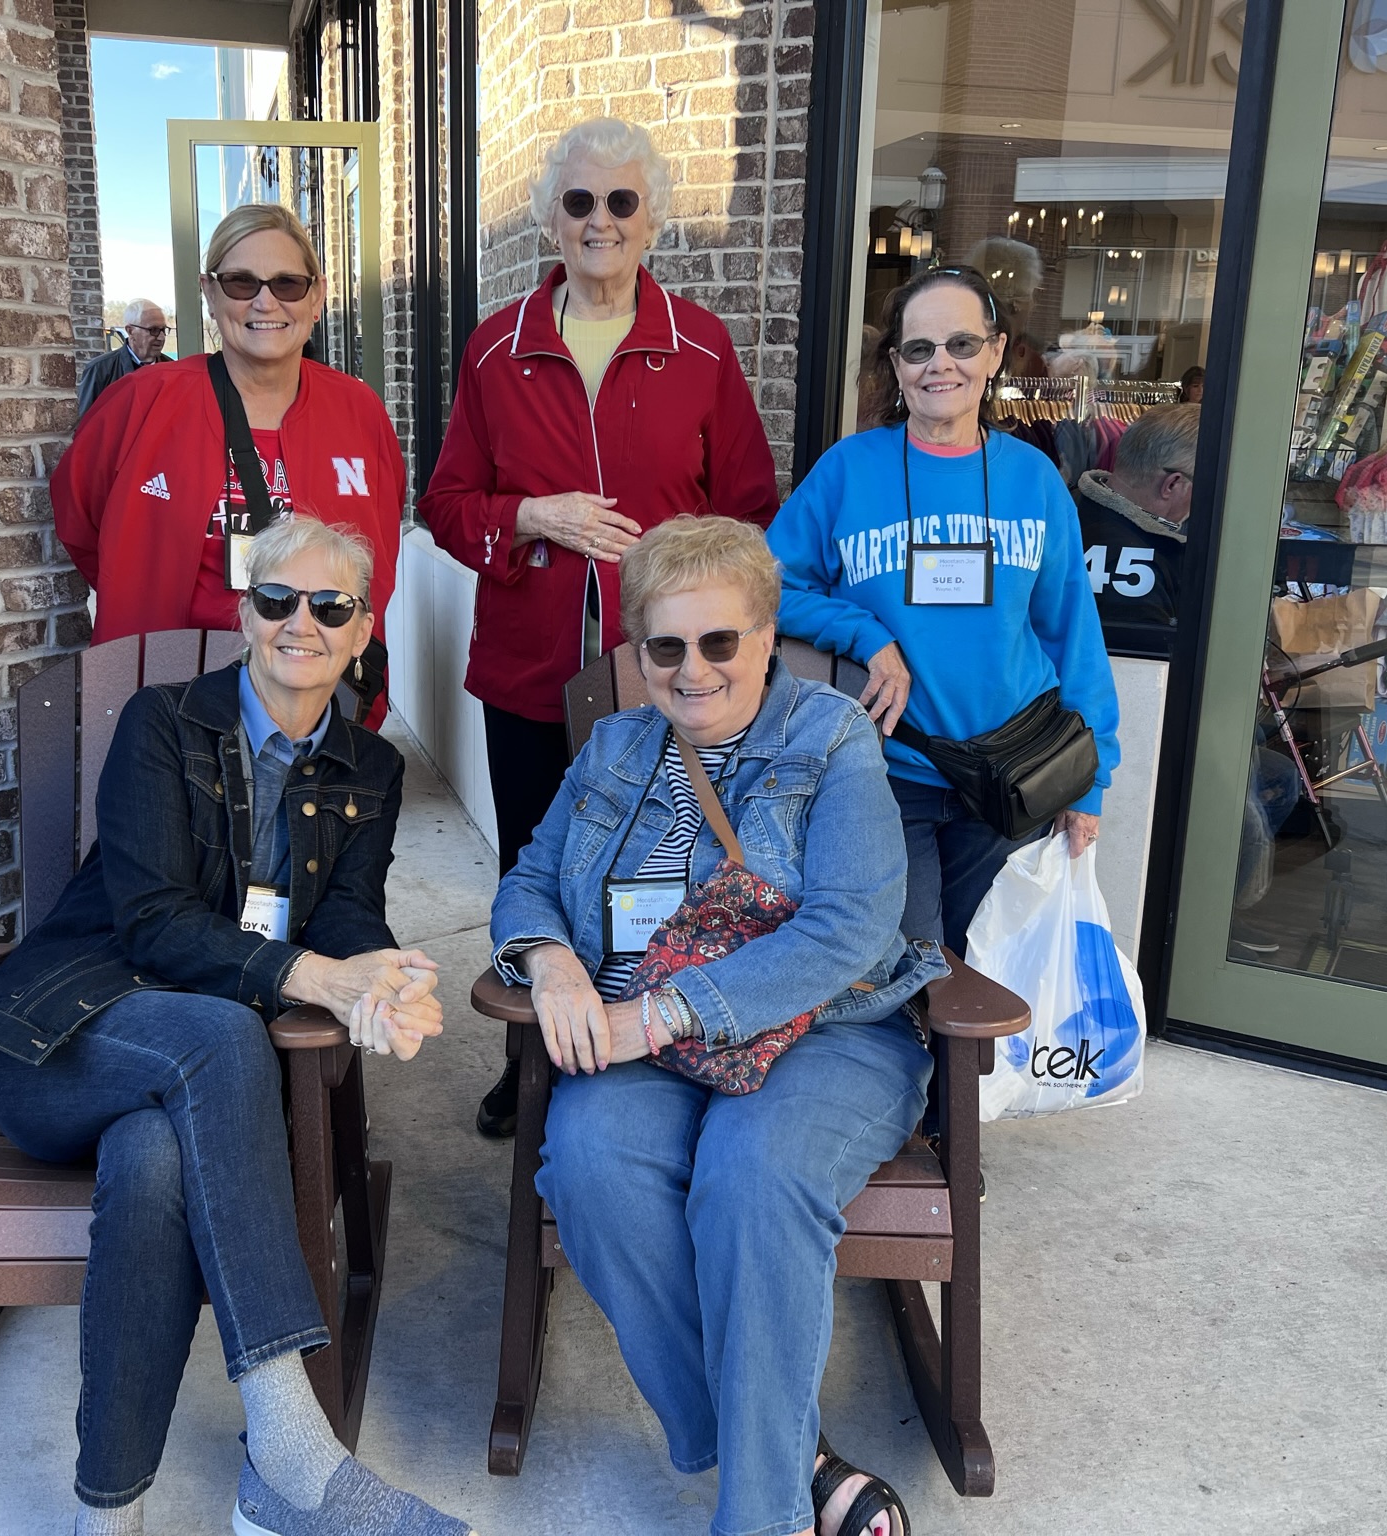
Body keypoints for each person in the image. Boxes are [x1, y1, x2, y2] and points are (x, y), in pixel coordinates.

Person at [0, 518, 474, 1536]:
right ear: (245, 613)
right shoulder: (162, 724)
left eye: (329, 605)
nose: (300, 622)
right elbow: (152, 921)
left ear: (361, 630)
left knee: (152, 1162)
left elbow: (347, 913)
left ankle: (107, 1516)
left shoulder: (368, 768)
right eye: (277, 598)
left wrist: (377, 976)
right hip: (58, 1038)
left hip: (181, 1091)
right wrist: (314, 978)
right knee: (223, 1037)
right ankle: (293, 1456)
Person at [490, 516, 945, 1536]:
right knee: (590, 1164)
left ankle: (761, 1514)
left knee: (753, 1177)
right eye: (665, 646)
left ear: (767, 637)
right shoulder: (614, 747)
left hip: (822, 1031)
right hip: (640, 1039)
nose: (692, 671)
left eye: (719, 641)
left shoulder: (830, 737)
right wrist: (551, 963)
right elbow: (528, 879)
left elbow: (850, 927)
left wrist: (656, 1016)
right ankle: (794, 1459)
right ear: (638, 650)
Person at [419, 115, 779, 1138]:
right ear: (550, 217)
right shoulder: (496, 346)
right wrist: (532, 515)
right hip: (530, 667)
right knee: (533, 866)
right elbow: (446, 505)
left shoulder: (699, 344)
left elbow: (748, 506)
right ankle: (526, 1059)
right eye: (579, 201)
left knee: (670, 866)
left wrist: (685, 577)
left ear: (651, 218)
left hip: (671, 673)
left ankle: (657, 1048)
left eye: (621, 201)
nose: (600, 221)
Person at [770, 264, 1120, 958]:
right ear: (896, 364)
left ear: (995, 352)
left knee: (982, 967)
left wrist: (1092, 780)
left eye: (962, 344)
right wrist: (863, 632)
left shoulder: (1033, 479)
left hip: (1013, 774)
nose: (941, 365)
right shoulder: (848, 470)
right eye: (918, 349)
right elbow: (765, 588)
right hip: (886, 771)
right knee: (905, 968)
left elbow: (1072, 633)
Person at [51, 205, 403, 703]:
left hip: (313, 693)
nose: (265, 302)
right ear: (210, 293)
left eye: (287, 284)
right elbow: (79, 518)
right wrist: (140, 589)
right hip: (164, 692)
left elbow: (377, 554)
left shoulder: (358, 411)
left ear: (317, 297)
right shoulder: (143, 403)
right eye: (241, 282)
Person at [1073, 401, 1201, 659]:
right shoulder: (1143, 561)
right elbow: (1151, 667)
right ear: (1172, 485)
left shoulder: (1062, 508)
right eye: (1203, 486)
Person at [77, 297, 169, 417]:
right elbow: (85, 422)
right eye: (154, 330)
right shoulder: (100, 370)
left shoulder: (171, 370)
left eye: (163, 330)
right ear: (130, 331)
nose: (161, 337)